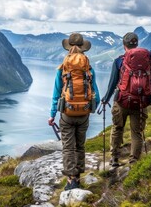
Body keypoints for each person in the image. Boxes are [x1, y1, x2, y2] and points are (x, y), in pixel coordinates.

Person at [48, 33, 100, 190]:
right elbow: (95, 95)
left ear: (68, 47)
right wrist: (88, 109)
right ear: (83, 48)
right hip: (83, 113)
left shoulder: (63, 69)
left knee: (68, 147)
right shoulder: (89, 69)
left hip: (67, 113)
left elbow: (56, 94)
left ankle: (71, 180)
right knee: (80, 145)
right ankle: (78, 176)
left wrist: (52, 115)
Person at [101, 32, 151, 167]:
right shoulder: (147, 61)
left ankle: (114, 159)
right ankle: (134, 161)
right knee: (137, 132)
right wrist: (149, 97)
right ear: (137, 44)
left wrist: (105, 99)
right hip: (140, 101)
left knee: (117, 128)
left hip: (122, 101)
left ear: (124, 45)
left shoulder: (119, 61)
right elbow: (150, 82)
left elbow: (112, 83)